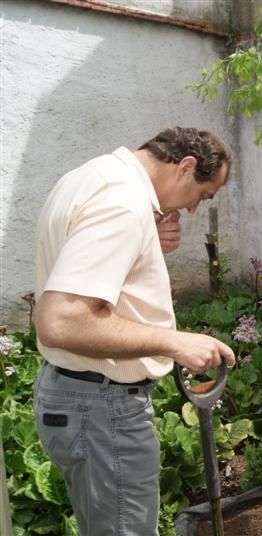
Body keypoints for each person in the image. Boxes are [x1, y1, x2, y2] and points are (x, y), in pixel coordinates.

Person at [33, 127, 237, 536]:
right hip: (102, 407)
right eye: (204, 195)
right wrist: (174, 342)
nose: (196, 209)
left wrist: (144, 241)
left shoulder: (90, 178)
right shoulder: (123, 202)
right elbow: (62, 320)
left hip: (76, 396)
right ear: (186, 167)